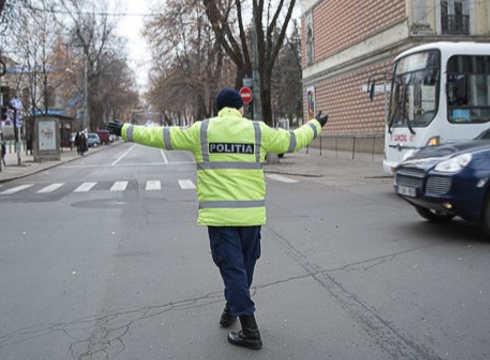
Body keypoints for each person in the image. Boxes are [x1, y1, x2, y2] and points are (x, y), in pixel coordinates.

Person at [107, 88, 328, 350]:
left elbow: (159, 136)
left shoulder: (202, 130)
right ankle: (232, 308)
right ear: (240, 109)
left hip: (221, 218)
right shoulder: (257, 131)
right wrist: (316, 124)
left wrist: (124, 130)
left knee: (234, 271)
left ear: (217, 109)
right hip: (250, 217)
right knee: (242, 271)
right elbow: (293, 140)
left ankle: (250, 331)